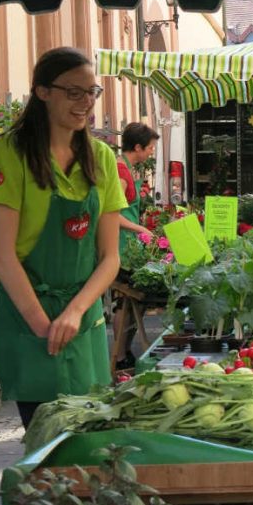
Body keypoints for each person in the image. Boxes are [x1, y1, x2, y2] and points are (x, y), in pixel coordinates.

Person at [0, 47, 126, 429]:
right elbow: (1, 254)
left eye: (92, 92)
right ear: (43, 92)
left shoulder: (101, 158)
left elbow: (110, 257)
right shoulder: (14, 151)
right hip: (30, 319)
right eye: (74, 92)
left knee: (87, 444)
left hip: (84, 321)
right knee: (45, 443)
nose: (85, 103)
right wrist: (42, 325)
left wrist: (76, 312)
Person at [113, 122, 160, 369]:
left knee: (132, 303)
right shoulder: (121, 172)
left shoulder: (127, 168)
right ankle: (120, 356)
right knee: (124, 300)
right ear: (138, 147)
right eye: (150, 148)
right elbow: (111, 214)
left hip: (129, 246)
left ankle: (124, 352)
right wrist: (140, 229)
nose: (152, 152)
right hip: (122, 248)